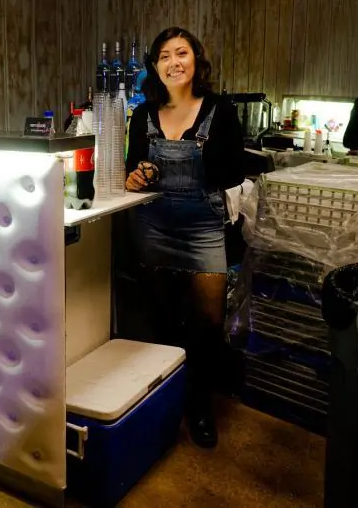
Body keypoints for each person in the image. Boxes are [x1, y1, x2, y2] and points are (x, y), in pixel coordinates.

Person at [125, 27, 244, 449]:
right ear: (154, 67)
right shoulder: (143, 114)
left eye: (182, 53)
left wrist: (205, 166)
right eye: (164, 56)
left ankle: (200, 405)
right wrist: (136, 176)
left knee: (208, 321)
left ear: (196, 60)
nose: (174, 62)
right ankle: (163, 402)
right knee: (161, 317)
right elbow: (131, 170)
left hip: (202, 228)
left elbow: (236, 170)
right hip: (153, 225)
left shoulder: (220, 110)